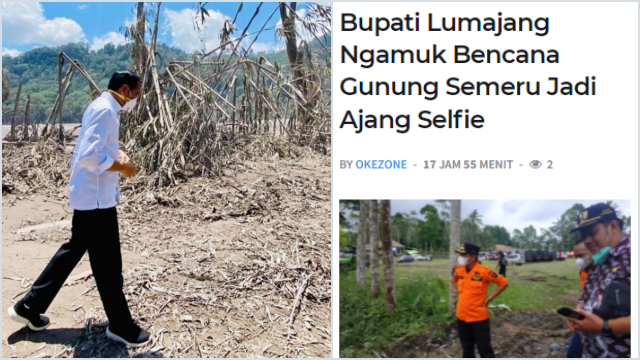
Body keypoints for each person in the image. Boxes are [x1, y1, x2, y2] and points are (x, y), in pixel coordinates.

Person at [7, 71, 151, 347]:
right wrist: (124, 167)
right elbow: (89, 155)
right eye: (136, 93)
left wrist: (117, 155)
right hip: (96, 200)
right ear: (124, 89)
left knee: (75, 251)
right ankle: (121, 326)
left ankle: (28, 307)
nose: (136, 99)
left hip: (93, 197)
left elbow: (96, 147)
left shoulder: (105, 108)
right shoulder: (106, 110)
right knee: (108, 263)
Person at [565, 203, 630, 358]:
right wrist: (576, 314)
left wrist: (604, 326)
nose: (587, 241)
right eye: (584, 235)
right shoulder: (599, 260)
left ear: (613, 226)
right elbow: (585, 297)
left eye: (592, 232)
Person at [452, 243, 509, 358]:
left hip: (478, 317)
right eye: (460, 254)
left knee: (484, 349)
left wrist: (489, 298)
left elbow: (503, 283)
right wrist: (461, 292)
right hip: (461, 316)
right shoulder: (458, 269)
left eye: (463, 254)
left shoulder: (484, 271)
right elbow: (454, 279)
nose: (460, 257)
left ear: (473, 257)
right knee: (467, 348)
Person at [566, 239, 595, 358]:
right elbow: (584, 295)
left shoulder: (606, 271)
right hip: (585, 317)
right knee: (573, 352)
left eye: (581, 256)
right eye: (576, 257)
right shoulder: (582, 271)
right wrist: (576, 312)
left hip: (602, 324)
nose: (578, 260)